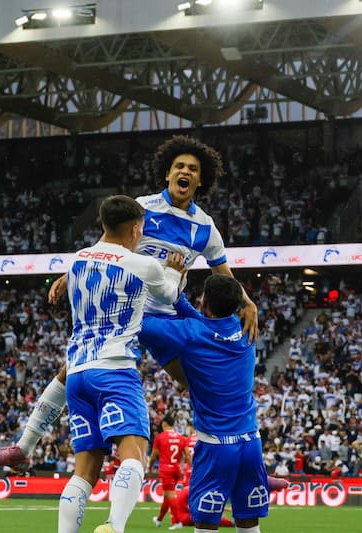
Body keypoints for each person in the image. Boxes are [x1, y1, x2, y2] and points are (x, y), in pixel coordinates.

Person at [0, 135, 258, 468]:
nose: (185, 172)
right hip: (124, 311)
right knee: (71, 370)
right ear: (167, 173)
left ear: (201, 180)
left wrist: (249, 302)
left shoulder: (205, 228)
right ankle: (23, 447)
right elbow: (106, 245)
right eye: (179, 166)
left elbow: (223, 273)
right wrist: (69, 274)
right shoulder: (143, 208)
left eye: (193, 169)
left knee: (200, 383)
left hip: (165, 317)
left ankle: (244, 458)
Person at [56, 195, 185, 533]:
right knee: (134, 455)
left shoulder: (77, 259)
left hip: (77, 372)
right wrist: (173, 272)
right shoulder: (143, 264)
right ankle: (114, 526)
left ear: (102, 224)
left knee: (83, 472)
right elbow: (169, 295)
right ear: (136, 229)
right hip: (114, 369)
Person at [139, 274, 269, 533]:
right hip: (250, 443)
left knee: (206, 523)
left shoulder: (190, 333)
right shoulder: (245, 327)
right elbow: (205, 321)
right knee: (248, 520)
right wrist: (177, 298)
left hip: (216, 446)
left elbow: (139, 323)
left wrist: (168, 281)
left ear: (204, 302)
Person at [149, 414, 188, 529]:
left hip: (166, 469)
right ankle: (159, 520)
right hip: (176, 469)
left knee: (170, 494)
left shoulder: (160, 437)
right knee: (167, 495)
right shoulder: (181, 438)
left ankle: (178, 522)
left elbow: (154, 456)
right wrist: (192, 466)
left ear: (164, 424)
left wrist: (150, 467)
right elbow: (187, 455)